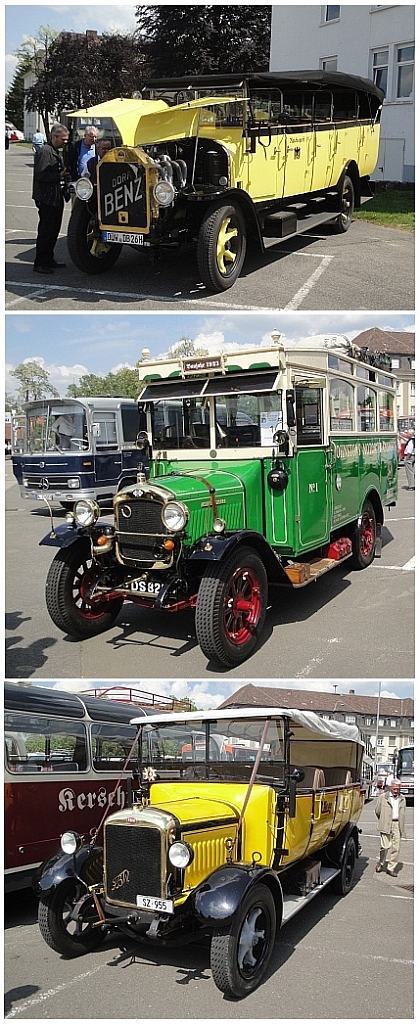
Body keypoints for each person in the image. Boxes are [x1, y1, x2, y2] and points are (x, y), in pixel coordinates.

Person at [32, 122, 69, 275]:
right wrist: (58, 176)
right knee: (46, 231)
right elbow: (41, 174)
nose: (65, 142)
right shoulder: (45, 152)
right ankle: (40, 263)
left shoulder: (54, 151)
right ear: (54, 137)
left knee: (54, 230)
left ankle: (49, 259)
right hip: (47, 199)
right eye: (63, 139)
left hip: (56, 197)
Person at [375, 777, 406, 876]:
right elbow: (377, 811)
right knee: (385, 846)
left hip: (397, 824)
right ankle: (380, 862)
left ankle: (391, 868)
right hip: (386, 823)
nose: (396, 791)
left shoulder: (402, 798)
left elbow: (403, 813)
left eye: (398, 789)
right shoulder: (383, 797)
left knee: (396, 848)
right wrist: (383, 820)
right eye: (394, 789)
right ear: (390, 788)